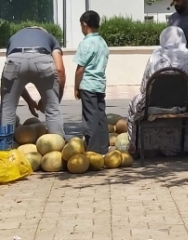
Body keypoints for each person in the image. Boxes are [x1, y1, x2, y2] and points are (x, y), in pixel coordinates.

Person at [126, 26, 188, 156]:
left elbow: (145, 86)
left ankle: (137, 147)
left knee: (134, 104)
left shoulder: (155, 57)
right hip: (185, 105)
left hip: (155, 104)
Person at [0, 26, 66, 137]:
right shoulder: (50, 37)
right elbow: (59, 69)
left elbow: (16, 79)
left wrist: (30, 101)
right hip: (42, 58)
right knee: (52, 110)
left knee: (7, 110)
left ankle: (5, 149)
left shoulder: (14, 38)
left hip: (14, 58)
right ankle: (57, 148)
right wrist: (54, 98)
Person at [73, 11, 110, 154]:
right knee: (101, 116)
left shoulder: (86, 43)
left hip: (88, 84)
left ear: (84, 24)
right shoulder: (102, 42)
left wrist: (76, 87)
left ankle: (93, 150)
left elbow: (80, 69)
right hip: (100, 84)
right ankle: (103, 149)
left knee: (90, 118)